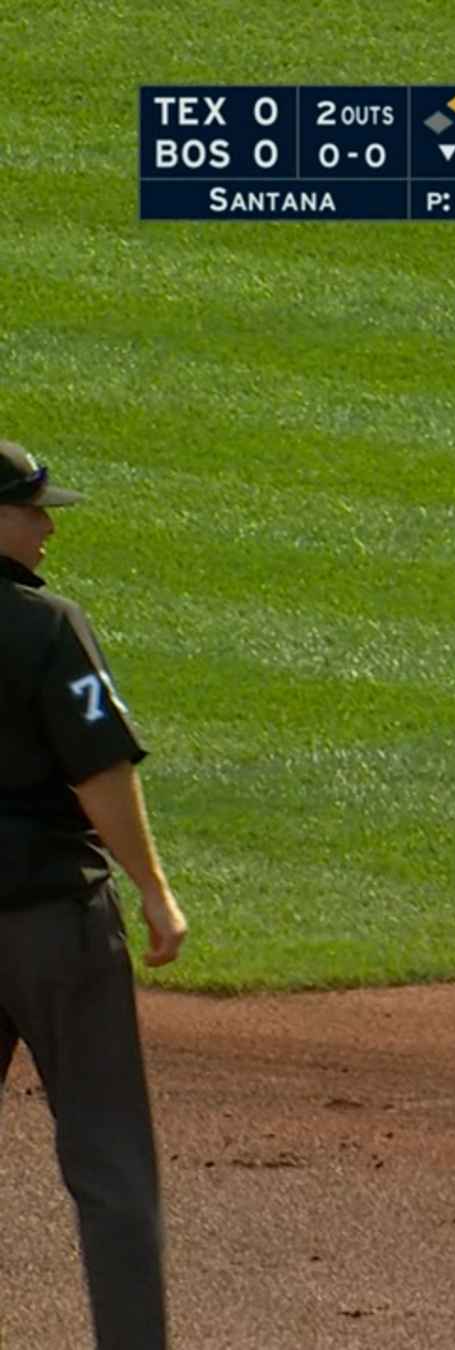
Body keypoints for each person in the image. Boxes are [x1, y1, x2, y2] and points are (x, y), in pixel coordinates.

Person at [1, 439, 188, 1349]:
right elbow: (101, 772)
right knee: (110, 1159)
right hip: (52, 928)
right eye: (31, 510)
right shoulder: (47, 627)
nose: (45, 527)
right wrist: (154, 889)